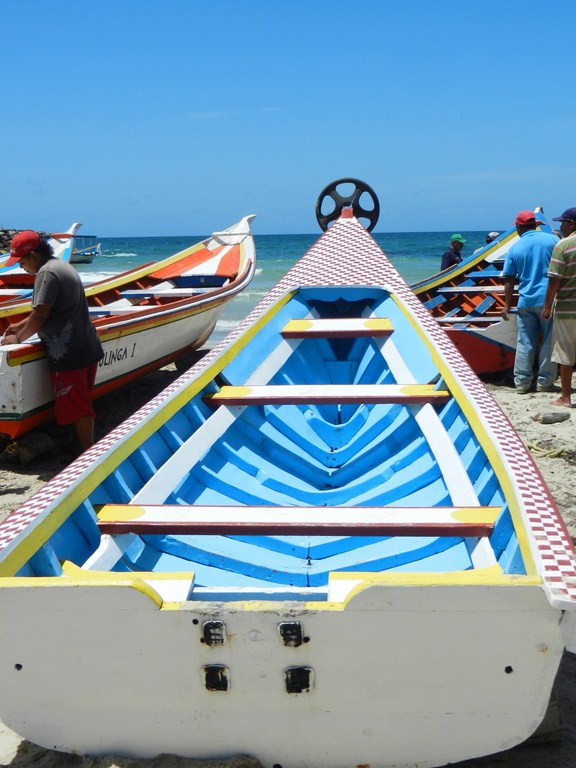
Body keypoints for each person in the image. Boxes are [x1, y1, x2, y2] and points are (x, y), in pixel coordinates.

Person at [0, 231, 104, 451]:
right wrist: (19, 325)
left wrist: (17, 338)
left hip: (69, 352)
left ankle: (86, 457)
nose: (20, 267)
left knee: (79, 408)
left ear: (35, 256)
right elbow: (50, 309)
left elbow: (40, 316)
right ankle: (81, 450)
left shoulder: (46, 274)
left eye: (22, 261)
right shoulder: (60, 266)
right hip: (85, 345)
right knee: (81, 403)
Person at [500, 210, 558, 394]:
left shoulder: (515, 248)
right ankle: (544, 382)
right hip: (549, 300)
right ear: (536, 225)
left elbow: (509, 279)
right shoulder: (552, 241)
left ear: (518, 227)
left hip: (525, 301)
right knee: (549, 342)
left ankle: (522, 384)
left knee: (525, 343)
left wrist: (507, 305)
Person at [541, 208, 576, 407]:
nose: (560, 226)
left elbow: (554, 279)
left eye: (563, 222)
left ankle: (565, 397)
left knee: (565, 353)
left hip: (567, 309)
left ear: (572, 224)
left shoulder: (563, 245)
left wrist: (547, 307)